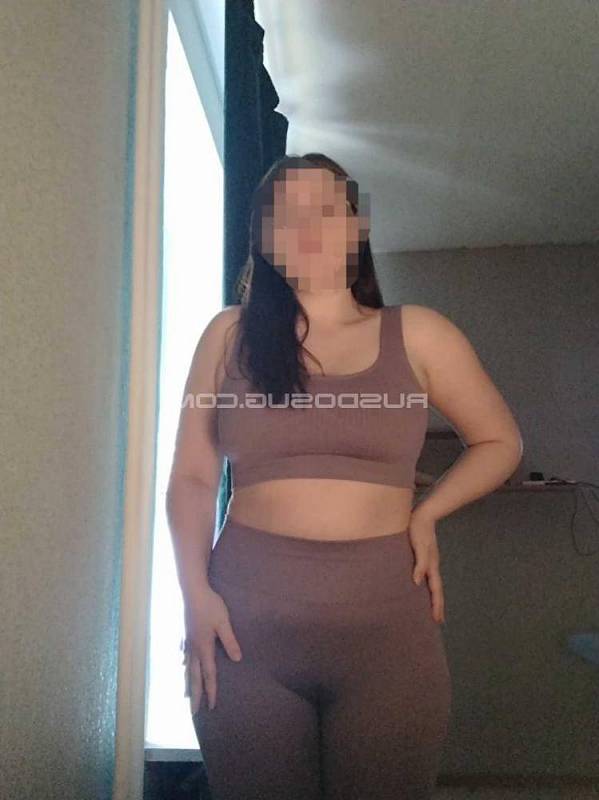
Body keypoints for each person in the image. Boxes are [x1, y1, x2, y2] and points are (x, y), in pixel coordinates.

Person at [166, 153, 523, 800]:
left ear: (357, 226)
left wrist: (427, 511)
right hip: (243, 631)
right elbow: (191, 477)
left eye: (327, 210)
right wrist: (194, 596)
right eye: (287, 214)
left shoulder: (420, 334)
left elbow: (499, 442)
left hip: (388, 635)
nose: (309, 227)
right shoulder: (227, 336)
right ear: (263, 239)